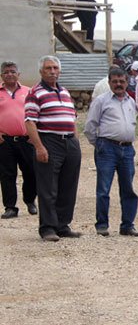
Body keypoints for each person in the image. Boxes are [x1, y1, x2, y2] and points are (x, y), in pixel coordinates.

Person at [25, 55, 82, 242]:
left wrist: (75, 140)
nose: (52, 71)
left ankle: (63, 225)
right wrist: (39, 146)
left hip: (69, 142)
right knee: (48, 187)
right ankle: (48, 227)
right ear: (41, 71)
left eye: (55, 68)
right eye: (48, 68)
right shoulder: (36, 92)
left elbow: (72, 118)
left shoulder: (64, 92)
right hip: (49, 141)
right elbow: (30, 123)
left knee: (68, 186)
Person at [84, 67, 138, 237]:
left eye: (122, 81)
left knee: (128, 189)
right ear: (109, 82)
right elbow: (89, 127)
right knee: (103, 189)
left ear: (126, 82)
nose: (118, 84)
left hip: (127, 150)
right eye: (115, 81)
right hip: (107, 148)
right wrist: (100, 145)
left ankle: (127, 225)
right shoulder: (101, 101)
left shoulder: (131, 101)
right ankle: (102, 225)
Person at [0, 61, 37, 219]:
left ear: (18, 74)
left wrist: (35, 135)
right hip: (4, 141)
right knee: (7, 174)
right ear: (1, 75)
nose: (9, 74)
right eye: (6, 72)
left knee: (31, 171)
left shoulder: (29, 92)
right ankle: (10, 207)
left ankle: (30, 201)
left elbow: (36, 113)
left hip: (25, 140)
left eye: (12, 71)